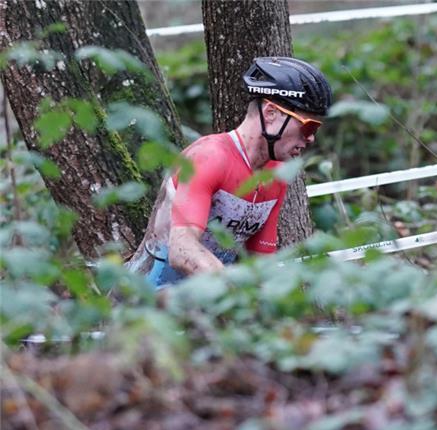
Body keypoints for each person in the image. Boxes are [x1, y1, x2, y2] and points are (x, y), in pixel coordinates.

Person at [126, 57, 332, 287]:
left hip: (203, 303)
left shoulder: (276, 175)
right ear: (271, 114)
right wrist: (237, 294)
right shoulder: (208, 157)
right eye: (308, 126)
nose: (311, 138)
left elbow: (260, 262)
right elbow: (182, 250)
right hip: (143, 303)